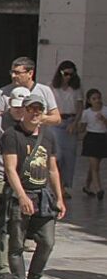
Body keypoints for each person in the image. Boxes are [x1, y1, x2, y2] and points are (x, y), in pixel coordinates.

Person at [1, 88, 65, 279]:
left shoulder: (48, 136)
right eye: (31, 109)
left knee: (47, 241)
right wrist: (21, 196)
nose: (35, 114)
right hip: (22, 194)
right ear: (24, 111)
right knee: (17, 244)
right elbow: (10, 169)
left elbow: (53, 168)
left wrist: (59, 197)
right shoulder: (12, 135)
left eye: (39, 110)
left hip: (43, 195)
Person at [0, 87, 30, 279]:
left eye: (23, 108)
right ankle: (2, 267)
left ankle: (1, 258)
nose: (19, 111)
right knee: (1, 220)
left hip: (22, 179)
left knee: (16, 222)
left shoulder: (30, 127)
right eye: (16, 107)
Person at [0, 57, 60, 127]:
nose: (13, 76)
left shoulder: (44, 91)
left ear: (30, 73)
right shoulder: (3, 93)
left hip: (37, 137)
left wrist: (37, 117)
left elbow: (57, 119)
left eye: (17, 73)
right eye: (12, 72)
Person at [50, 60, 83, 193]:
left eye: (71, 74)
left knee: (69, 156)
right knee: (58, 155)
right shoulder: (52, 87)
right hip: (57, 122)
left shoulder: (77, 88)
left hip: (70, 121)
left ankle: (64, 185)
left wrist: (75, 123)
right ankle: (56, 186)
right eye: (66, 73)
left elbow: (80, 107)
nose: (68, 77)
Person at [79, 88, 106, 199]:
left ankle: (87, 186)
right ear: (89, 101)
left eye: (98, 98)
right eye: (94, 99)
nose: (97, 101)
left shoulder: (105, 110)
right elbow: (83, 128)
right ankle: (98, 189)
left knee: (94, 165)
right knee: (95, 166)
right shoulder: (86, 113)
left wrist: (104, 120)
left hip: (103, 137)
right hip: (91, 137)